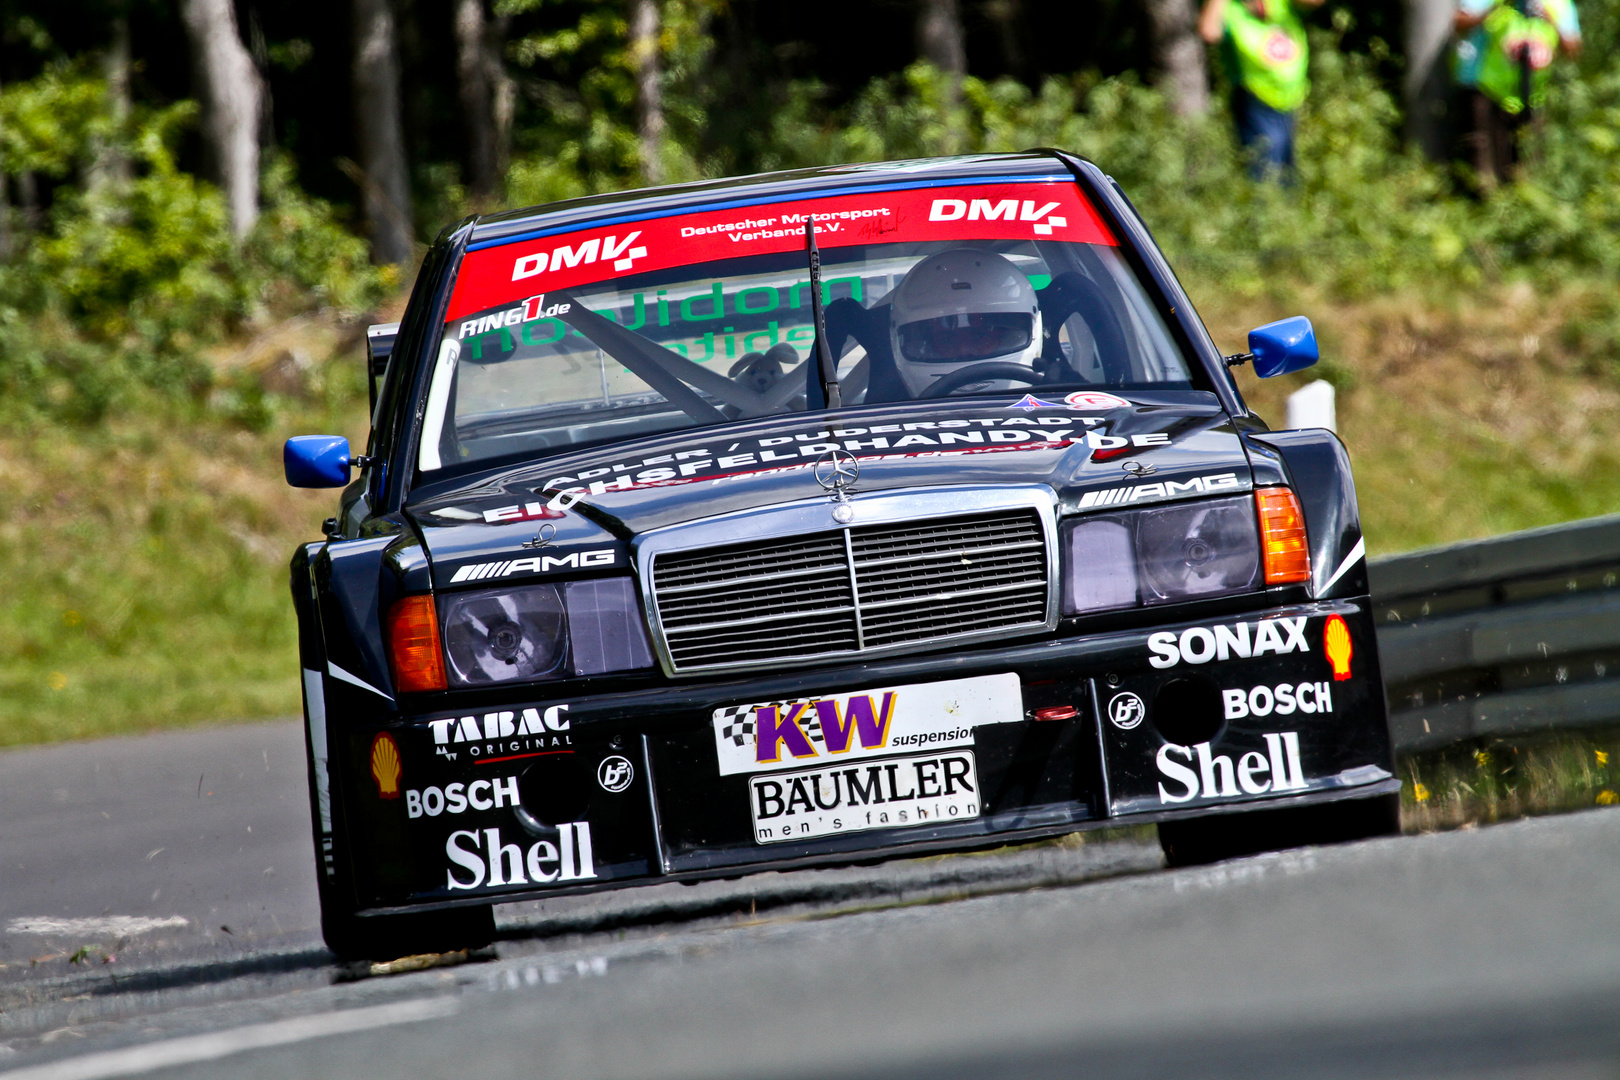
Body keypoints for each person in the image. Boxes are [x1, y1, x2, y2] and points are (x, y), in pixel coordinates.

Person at [1453, 0, 1580, 188]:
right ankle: (1486, 207)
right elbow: (1458, 23)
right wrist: (1495, 9)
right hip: (1489, 92)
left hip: (1533, 98)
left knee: (1528, 169)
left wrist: (1551, 20)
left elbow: (1573, 50)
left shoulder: (1559, 4)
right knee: (1485, 170)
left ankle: (1521, 206)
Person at [1198, 0, 1325, 182]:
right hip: (1255, 101)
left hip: (1290, 102)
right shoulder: (1232, 10)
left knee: (1288, 178)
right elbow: (1209, 31)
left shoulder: (1278, 4)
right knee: (1266, 177)